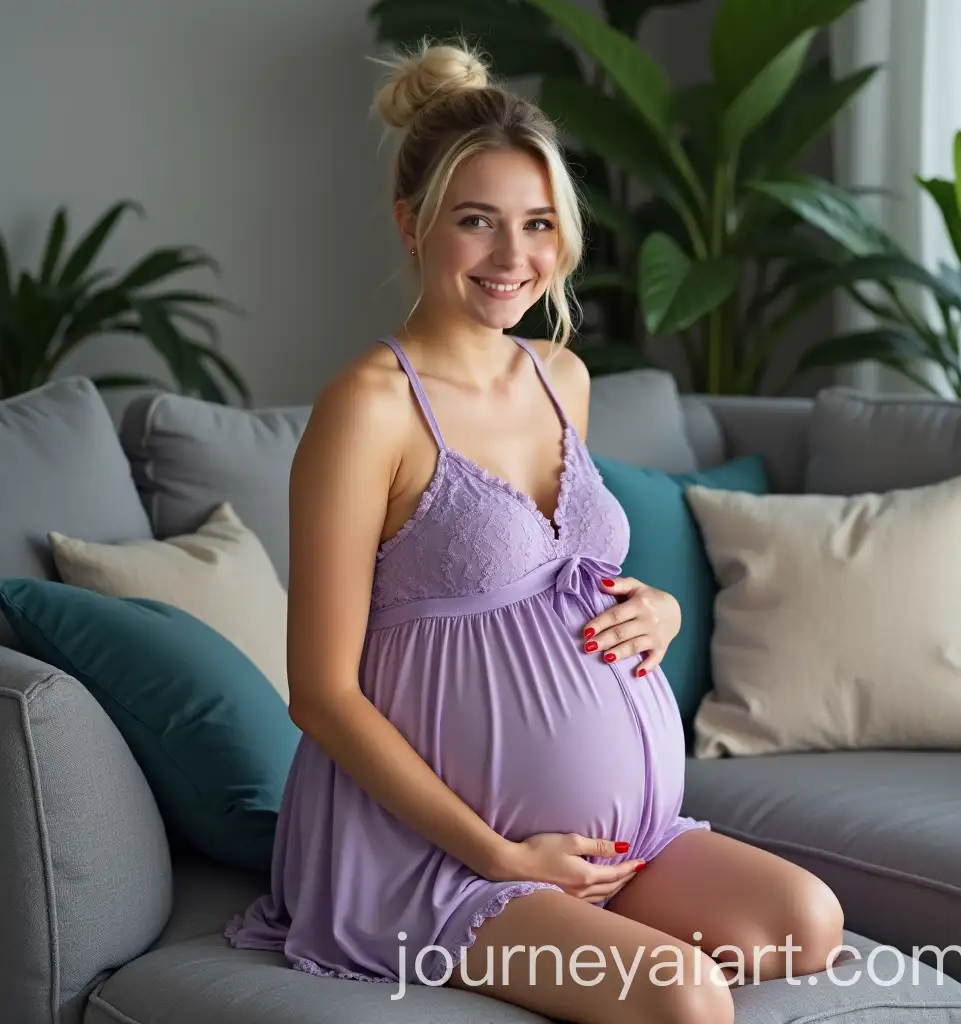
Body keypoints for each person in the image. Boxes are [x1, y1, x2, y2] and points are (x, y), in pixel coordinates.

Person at [224, 40, 844, 1024]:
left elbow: (569, 579)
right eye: (477, 221)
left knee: (805, 922)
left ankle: (583, 913)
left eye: (538, 223)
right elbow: (321, 694)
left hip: (610, 840)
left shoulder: (562, 377)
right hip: (434, 852)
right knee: (686, 999)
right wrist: (502, 856)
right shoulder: (369, 407)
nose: (513, 257)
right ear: (413, 225)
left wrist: (663, 609)